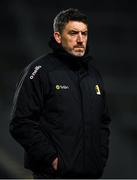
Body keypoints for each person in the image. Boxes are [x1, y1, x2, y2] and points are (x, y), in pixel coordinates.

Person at [9, 8, 111, 179]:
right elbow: (20, 122)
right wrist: (52, 158)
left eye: (84, 34)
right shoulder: (40, 71)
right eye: (73, 33)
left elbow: (103, 123)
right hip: (53, 175)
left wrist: (100, 158)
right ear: (58, 36)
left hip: (91, 175)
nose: (80, 40)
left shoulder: (93, 75)